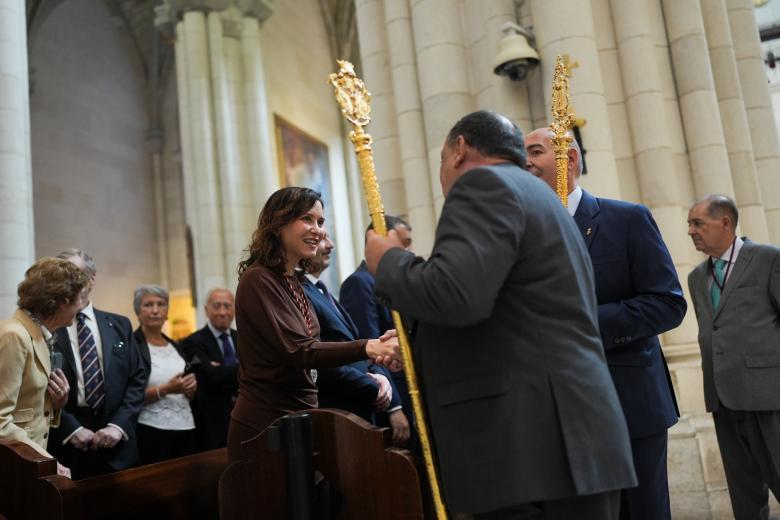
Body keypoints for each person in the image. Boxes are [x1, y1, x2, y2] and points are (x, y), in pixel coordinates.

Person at [365, 110, 636, 519]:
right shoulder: (543, 197)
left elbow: (458, 295)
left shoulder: (483, 185)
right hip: (572, 439)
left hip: (524, 447)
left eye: (441, 161)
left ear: (459, 151)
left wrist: (388, 262)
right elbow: (510, 313)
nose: (442, 176)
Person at [525, 128, 687, 520]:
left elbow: (667, 304)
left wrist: (584, 326)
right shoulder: (524, 234)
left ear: (571, 160)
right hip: (557, 414)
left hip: (628, 402)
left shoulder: (626, 219)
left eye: (534, 151)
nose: (525, 161)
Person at [227, 186, 399, 463]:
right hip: (266, 424)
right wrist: (369, 347)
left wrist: (375, 356)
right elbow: (299, 351)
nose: (318, 230)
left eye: (320, 221)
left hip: (302, 416)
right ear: (279, 222)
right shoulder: (259, 279)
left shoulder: (292, 282)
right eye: (307, 219)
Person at [687, 195, 780, 520]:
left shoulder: (768, 259)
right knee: (744, 495)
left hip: (769, 397)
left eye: (697, 223)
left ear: (725, 222)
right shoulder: (696, 278)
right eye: (689, 224)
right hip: (722, 401)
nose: (690, 231)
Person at [302, 232, 410, 445]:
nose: (331, 245)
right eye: (321, 239)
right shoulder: (302, 292)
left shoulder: (322, 290)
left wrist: (380, 376)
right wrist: (375, 387)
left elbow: (362, 344)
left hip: (361, 411)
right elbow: (318, 360)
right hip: (341, 416)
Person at [48, 249, 147, 479]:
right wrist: (71, 428)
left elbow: (137, 379)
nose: (68, 281)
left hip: (117, 444)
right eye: (62, 275)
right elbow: (42, 387)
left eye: (75, 273)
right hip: (66, 445)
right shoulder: (49, 328)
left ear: (91, 279)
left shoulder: (120, 325)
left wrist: (118, 426)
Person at [0, 258, 88, 477]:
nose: (83, 304)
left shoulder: (39, 334)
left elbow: (27, 407)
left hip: (26, 461)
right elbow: (0, 420)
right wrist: (47, 461)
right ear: (63, 301)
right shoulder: (15, 335)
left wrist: (56, 404)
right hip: (14, 464)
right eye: (81, 297)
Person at [340, 216, 417, 449]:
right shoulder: (360, 283)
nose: (408, 250)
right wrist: (394, 406)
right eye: (403, 242)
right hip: (395, 396)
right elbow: (370, 347)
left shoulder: (394, 281)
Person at [132, 285, 197, 464]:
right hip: (151, 429)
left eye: (161, 304)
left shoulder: (175, 346)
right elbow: (129, 396)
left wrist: (190, 389)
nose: (155, 310)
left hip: (185, 425)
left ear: (167, 312)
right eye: (148, 305)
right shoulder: (132, 346)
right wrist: (168, 389)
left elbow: (185, 388)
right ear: (138, 311)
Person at [181, 287, 238, 451]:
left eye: (227, 306)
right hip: (211, 424)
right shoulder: (193, 342)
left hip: (243, 417)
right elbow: (212, 377)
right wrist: (246, 368)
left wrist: (223, 370)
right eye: (217, 306)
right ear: (206, 310)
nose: (222, 312)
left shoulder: (243, 338)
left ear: (234, 309)